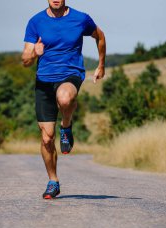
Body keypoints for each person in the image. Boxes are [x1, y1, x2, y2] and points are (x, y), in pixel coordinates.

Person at [21, 0, 106, 199]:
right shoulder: (35, 22)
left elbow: (100, 36)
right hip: (43, 82)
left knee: (65, 98)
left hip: (70, 74)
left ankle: (66, 126)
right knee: (46, 138)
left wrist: (101, 64)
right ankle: (53, 181)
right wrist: (34, 52)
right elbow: (25, 60)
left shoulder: (81, 19)